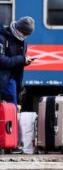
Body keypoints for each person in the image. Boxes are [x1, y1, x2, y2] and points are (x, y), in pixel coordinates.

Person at [0, 16, 35, 153]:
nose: (25, 37)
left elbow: (17, 63)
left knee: (12, 112)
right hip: (3, 80)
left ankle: (10, 142)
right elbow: (1, 60)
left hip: (13, 81)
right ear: (18, 29)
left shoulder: (22, 41)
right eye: (24, 33)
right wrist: (21, 59)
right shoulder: (3, 37)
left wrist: (25, 61)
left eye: (27, 35)